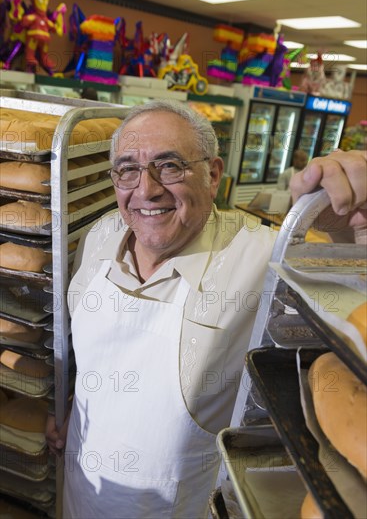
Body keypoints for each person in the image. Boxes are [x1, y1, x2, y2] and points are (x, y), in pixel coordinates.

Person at [46, 99, 367, 518]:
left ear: (213, 174)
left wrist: (353, 241)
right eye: (127, 169)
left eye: (170, 165)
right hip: (80, 495)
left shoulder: (261, 257)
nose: (146, 190)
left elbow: (353, 327)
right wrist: (77, 404)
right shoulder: (99, 237)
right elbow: (97, 360)